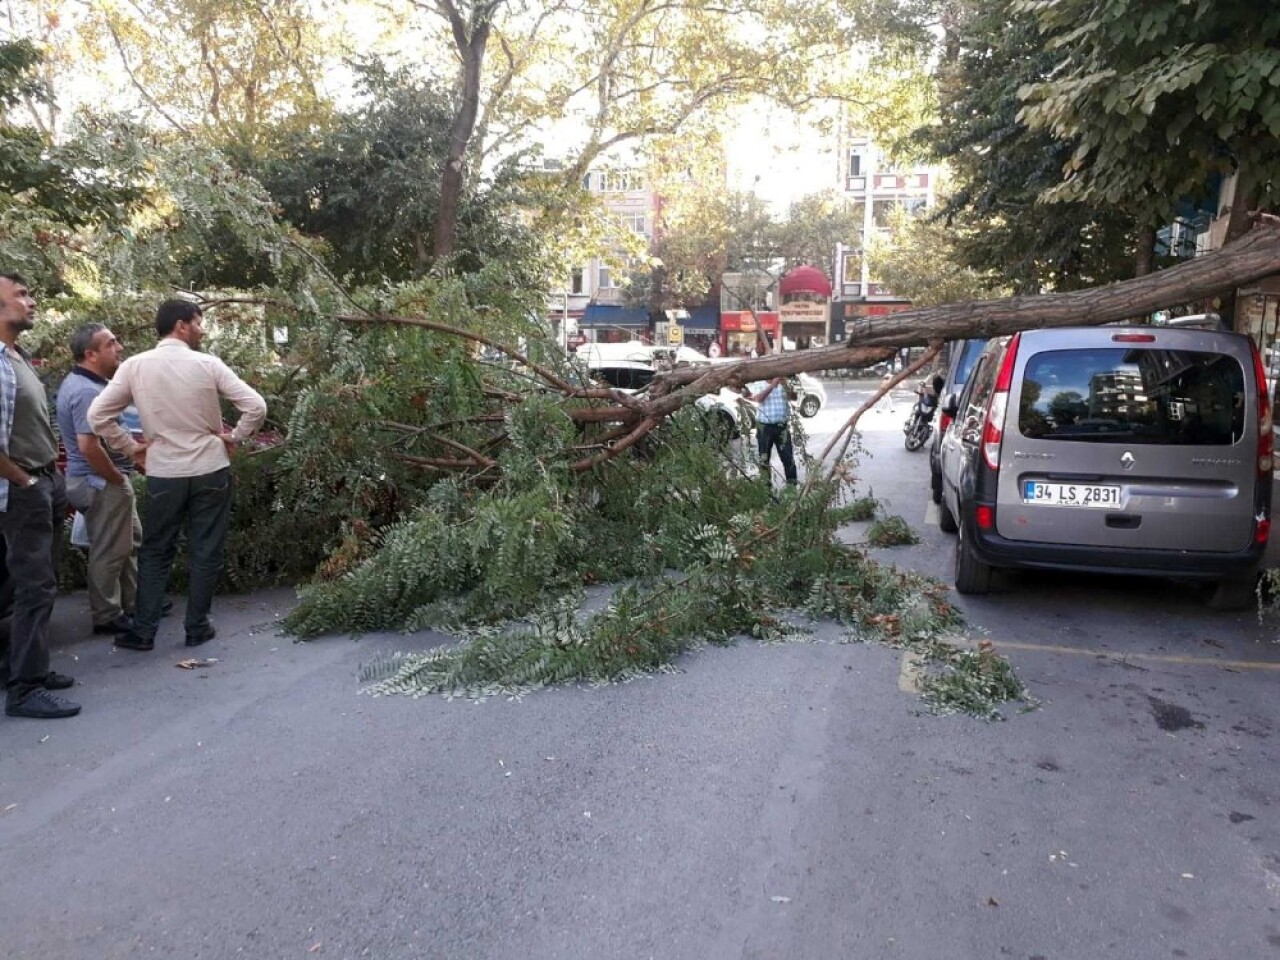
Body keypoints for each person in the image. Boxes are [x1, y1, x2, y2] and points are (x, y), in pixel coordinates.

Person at [89, 299, 266, 652]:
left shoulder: (136, 366)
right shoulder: (207, 364)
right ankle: (197, 627)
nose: (202, 330)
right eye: (199, 323)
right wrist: (234, 437)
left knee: (156, 550)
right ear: (181, 325)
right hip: (210, 469)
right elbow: (256, 406)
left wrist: (130, 448)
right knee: (206, 549)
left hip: (164, 471)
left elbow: (98, 416)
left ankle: (143, 631)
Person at [0, 272, 79, 719]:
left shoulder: (17, 357)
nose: (31, 302)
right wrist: (25, 481)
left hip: (43, 480)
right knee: (35, 585)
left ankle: (30, 666)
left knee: (40, 579)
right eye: (21, 295)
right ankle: (25, 689)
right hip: (23, 486)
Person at [56, 323, 142, 637]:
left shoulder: (92, 385)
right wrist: (115, 477)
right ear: (90, 354)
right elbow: (88, 445)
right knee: (109, 549)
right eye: (110, 344)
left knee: (128, 542)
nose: (118, 347)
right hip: (98, 481)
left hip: (104, 480)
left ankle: (134, 603)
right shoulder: (85, 391)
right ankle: (107, 615)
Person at [744, 336, 798, 486]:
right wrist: (772, 386)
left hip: (781, 427)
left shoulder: (782, 381)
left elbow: (794, 397)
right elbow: (758, 398)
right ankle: (766, 493)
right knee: (764, 461)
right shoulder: (758, 381)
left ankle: (792, 490)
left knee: (788, 459)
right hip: (764, 427)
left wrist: (786, 386)